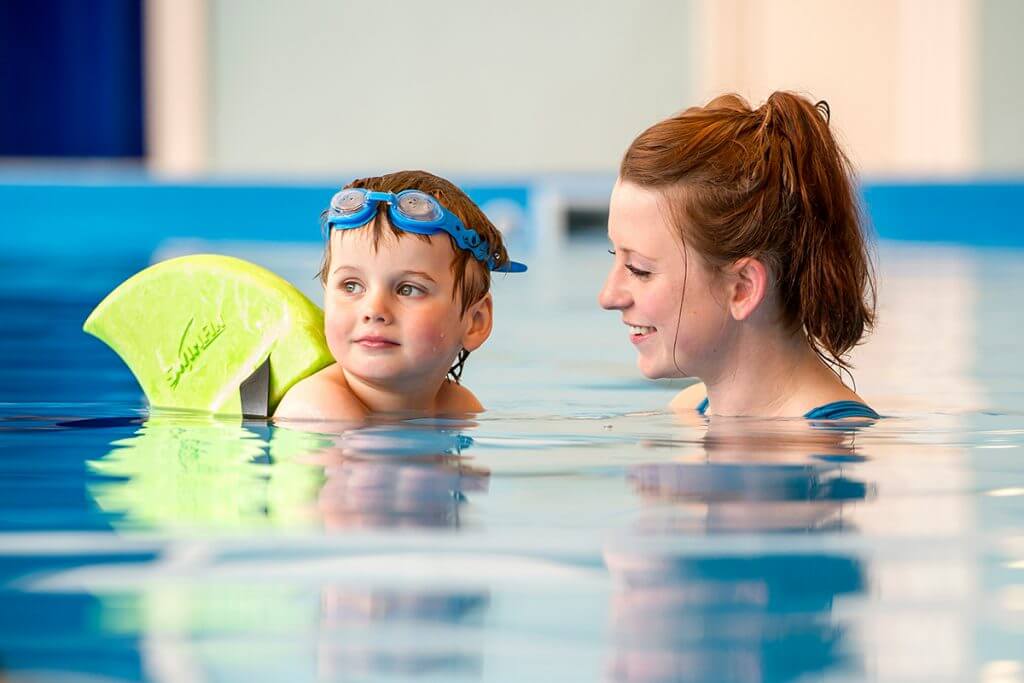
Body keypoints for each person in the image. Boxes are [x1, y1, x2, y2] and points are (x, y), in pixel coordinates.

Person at [599, 92, 878, 419]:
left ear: (742, 287)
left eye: (639, 269)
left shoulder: (833, 448)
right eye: (614, 254)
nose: (608, 296)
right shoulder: (691, 410)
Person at [275, 170, 526, 420]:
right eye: (351, 286)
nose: (374, 310)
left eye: (408, 289)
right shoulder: (320, 411)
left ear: (475, 322)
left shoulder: (459, 406)